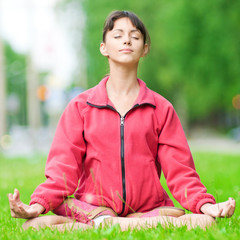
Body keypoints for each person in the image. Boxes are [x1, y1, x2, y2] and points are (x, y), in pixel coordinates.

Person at [8, 10, 235, 231]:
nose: (127, 40)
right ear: (103, 48)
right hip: (93, 207)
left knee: (205, 221)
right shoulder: (80, 107)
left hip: (148, 208)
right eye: (118, 35)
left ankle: (109, 225)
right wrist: (36, 206)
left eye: (135, 36)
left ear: (144, 49)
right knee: (33, 226)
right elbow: (62, 172)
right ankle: (114, 222)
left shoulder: (161, 109)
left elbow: (181, 172)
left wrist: (206, 205)